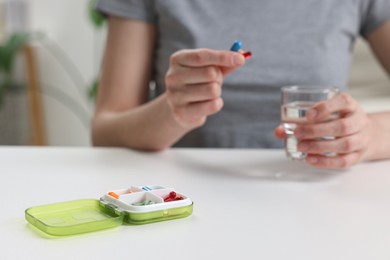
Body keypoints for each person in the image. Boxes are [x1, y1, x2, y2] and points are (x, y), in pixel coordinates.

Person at [92, 0, 390, 169]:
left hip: (321, 192)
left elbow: (370, 135)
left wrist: (368, 135)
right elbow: (105, 130)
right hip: (187, 195)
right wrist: (173, 111)